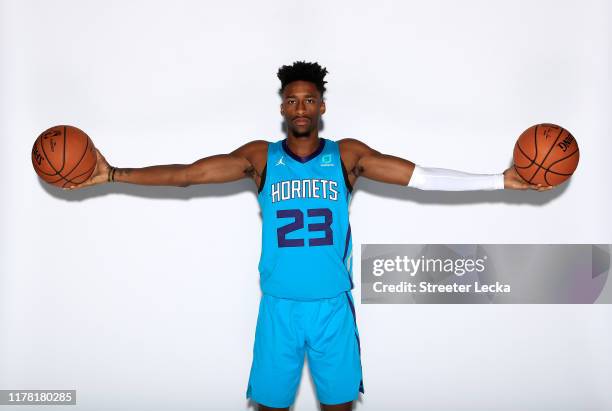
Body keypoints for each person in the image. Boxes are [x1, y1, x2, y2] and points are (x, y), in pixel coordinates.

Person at [69, 61, 551, 410]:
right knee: (272, 407)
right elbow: (188, 175)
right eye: (291, 100)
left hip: (330, 306)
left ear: (321, 105)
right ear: (283, 107)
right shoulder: (261, 158)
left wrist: (500, 180)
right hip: (278, 304)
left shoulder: (347, 156)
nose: (300, 107)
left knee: (339, 406)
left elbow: (419, 176)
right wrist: (112, 174)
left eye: (309, 99)